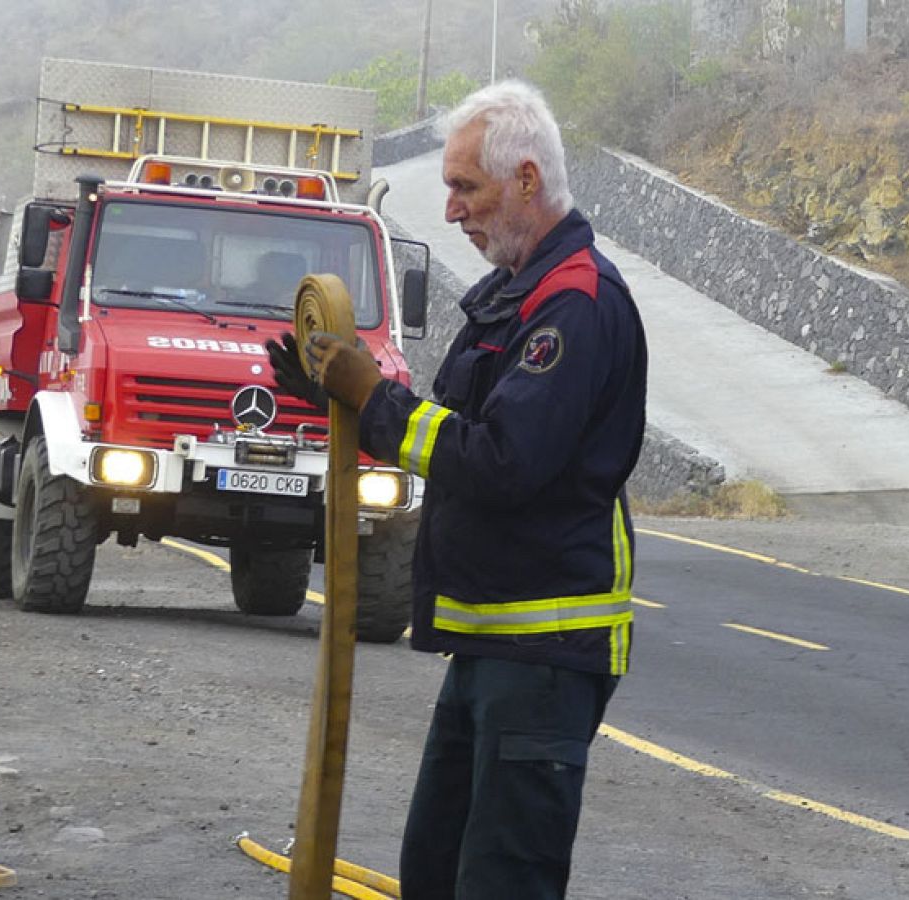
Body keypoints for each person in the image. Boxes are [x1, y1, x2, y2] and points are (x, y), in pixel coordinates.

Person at [268, 79, 648, 899]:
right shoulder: (518, 297)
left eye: (464, 187)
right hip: (491, 643)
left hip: (543, 651)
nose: (450, 211)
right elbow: (453, 432)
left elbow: (502, 462)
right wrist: (343, 400)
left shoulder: (572, 306)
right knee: (434, 873)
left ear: (525, 182)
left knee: (499, 883)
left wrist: (378, 399)